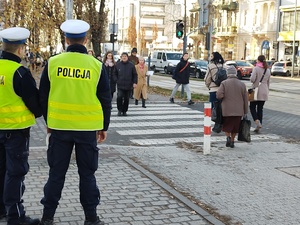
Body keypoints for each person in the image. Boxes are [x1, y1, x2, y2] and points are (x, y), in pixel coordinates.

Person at [38, 19, 111, 225]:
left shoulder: (53, 63)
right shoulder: (96, 66)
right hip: (88, 129)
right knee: (87, 175)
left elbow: (43, 96)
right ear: (86, 39)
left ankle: (47, 217)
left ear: (66, 39)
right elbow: (105, 99)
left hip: (59, 128)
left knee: (56, 174)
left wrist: (49, 121)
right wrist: (103, 127)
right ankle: (91, 218)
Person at [0, 27, 42, 225]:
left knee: (1, 171)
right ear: (19, 50)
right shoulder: (20, 72)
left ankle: (1, 210)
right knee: (15, 173)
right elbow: (35, 105)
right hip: (15, 132)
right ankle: (16, 216)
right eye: (24, 48)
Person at [216, 66, 248, 148]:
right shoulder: (242, 84)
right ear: (235, 73)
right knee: (235, 127)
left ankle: (228, 138)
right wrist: (245, 111)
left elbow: (219, 95)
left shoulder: (224, 83)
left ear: (227, 74)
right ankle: (233, 141)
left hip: (227, 110)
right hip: (238, 110)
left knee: (227, 126)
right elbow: (245, 99)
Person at [204, 51, 225, 132]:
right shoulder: (223, 66)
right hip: (222, 89)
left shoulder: (211, 66)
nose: (210, 57)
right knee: (221, 108)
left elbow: (207, 79)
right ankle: (221, 123)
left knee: (214, 108)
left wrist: (208, 86)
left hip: (213, 90)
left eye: (211, 56)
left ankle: (217, 125)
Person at [249, 55, 271, 132]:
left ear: (258, 60)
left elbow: (252, 80)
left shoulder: (256, 68)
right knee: (260, 109)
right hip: (264, 91)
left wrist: (252, 76)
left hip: (256, 91)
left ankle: (257, 121)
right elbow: (268, 82)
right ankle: (259, 125)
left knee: (252, 107)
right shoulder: (267, 70)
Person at [113, 52, 137, 116]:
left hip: (128, 85)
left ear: (127, 57)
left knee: (126, 99)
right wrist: (116, 80)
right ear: (121, 57)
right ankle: (119, 110)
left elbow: (135, 75)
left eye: (125, 56)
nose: (124, 57)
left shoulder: (131, 65)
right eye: (123, 56)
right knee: (119, 97)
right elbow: (114, 73)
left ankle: (124, 111)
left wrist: (134, 82)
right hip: (120, 85)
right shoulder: (118, 65)